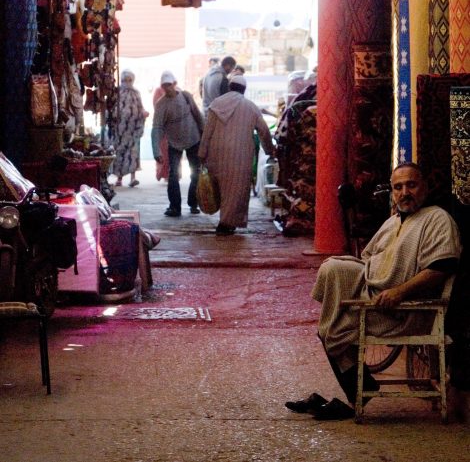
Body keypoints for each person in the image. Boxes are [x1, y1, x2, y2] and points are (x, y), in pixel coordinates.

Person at [285, 162, 461, 420]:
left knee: (331, 329)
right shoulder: (393, 222)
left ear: (424, 186)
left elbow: (441, 267)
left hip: (405, 310)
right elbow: (368, 260)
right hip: (375, 298)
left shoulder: (437, 218)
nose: (404, 192)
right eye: (398, 187)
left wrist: (399, 292)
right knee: (332, 271)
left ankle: (358, 395)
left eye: (411, 185)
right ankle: (361, 389)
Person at [198, 75, 275, 234]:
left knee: (220, 188)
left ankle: (226, 222)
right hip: (240, 156)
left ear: (230, 87)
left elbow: (207, 132)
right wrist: (269, 151)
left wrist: (202, 153)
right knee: (234, 190)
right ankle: (226, 224)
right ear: (244, 90)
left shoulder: (216, 104)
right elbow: (264, 132)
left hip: (216, 153)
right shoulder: (250, 107)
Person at [151, 71, 204, 217]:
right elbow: (157, 128)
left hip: (193, 139)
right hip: (174, 142)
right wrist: (156, 151)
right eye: (164, 85)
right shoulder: (161, 105)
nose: (167, 88)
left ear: (174, 84)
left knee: (196, 173)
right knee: (173, 174)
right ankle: (175, 207)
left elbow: (197, 115)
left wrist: (204, 135)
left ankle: (194, 203)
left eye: (169, 84)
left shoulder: (186, 96)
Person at [113, 69, 149, 187]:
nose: (127, 82)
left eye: (129, 80)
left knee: (133, 153)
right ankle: (119, 178)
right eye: (125, 80)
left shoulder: (136, 93)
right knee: (120, 152)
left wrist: (143, 113)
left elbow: (140, 106)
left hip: (133, 129)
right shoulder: (117, 92)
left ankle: (133, 178)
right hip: (120, 130)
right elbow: (111, 107)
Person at [152, 85, 170, 183]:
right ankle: (162, 173)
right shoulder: (158, 91)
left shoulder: (177, 91)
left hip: (172, 128)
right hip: (162, 126)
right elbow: (156, 106)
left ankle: (170, 174)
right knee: (162, 152)